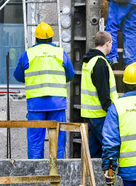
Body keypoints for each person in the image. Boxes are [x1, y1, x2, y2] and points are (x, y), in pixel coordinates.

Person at [13, 22, 75, 159]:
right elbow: (70, 75)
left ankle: (37, 176)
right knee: (58, 141)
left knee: (35, 142)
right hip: (57, 104)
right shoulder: (60, 53)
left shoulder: (28, 54)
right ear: (52, 38)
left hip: (36, 105)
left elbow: (17, 76)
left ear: (36, 39)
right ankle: (58, 175)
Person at [80, 31, 118, 158]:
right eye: (111, 43)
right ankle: (109, 177)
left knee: (94, 152)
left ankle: (92, 177)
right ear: (107, 43)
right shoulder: (100, 63)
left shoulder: (89, 61)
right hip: (100, 115)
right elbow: (103, 92)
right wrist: (112, 111)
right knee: (110, 148)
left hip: (90, 114)